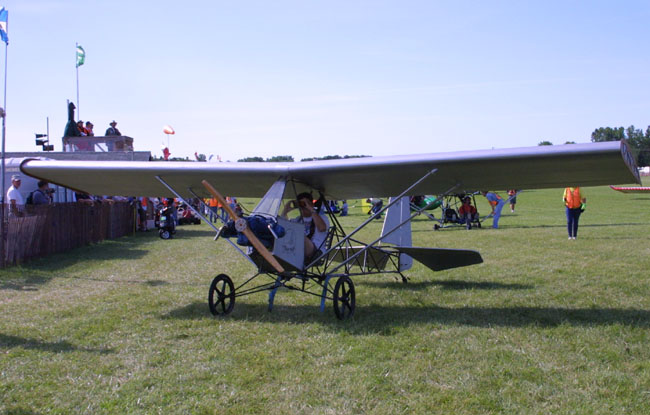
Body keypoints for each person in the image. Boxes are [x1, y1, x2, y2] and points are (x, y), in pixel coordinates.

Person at [281, 192, 330, 262]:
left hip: (316, 252)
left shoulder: (321, 218)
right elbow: (284, 228)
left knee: (298, 232)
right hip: (297, 250)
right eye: (301, 204)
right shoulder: (298, 219)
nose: (304, 207)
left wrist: (311, 209)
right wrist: (285, 212)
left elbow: (322, 228)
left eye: (306, 203)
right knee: (283, 232)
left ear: (312, 204)